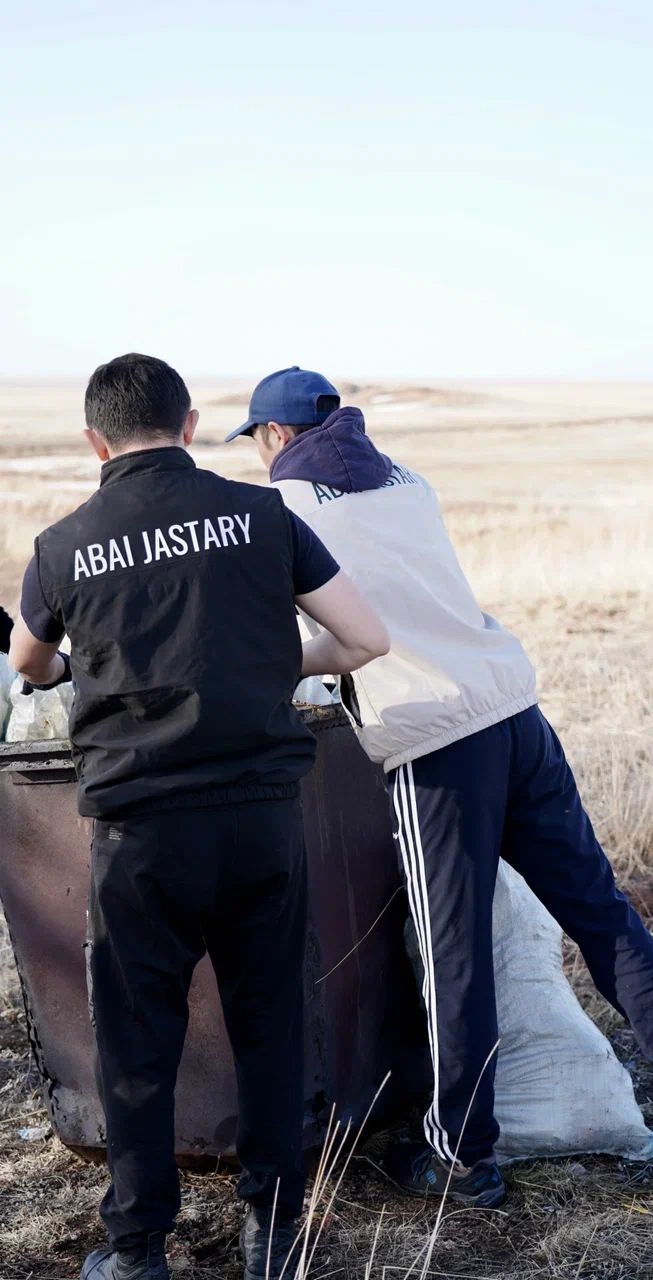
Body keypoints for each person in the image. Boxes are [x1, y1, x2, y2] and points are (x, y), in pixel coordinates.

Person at [229, 365, 653, 1207]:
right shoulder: (407, 481)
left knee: (452, 954)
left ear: (274, 436)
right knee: (599, 913)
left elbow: (317, 629)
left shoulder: (285, 510)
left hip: (436, 742)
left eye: (258, 441)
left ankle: (462, 1156)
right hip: (515, 713)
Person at [8, 354, 389, 1280]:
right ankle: (274, 1235)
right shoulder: (264, 515)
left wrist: (73, 667)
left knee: (137, 1043)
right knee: (270, 1026)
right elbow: (365, 639)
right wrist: (268, 662)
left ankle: (137, 1249)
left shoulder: (63, 547)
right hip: (260, 822)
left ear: (95, 442)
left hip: (141, 835)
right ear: (187, 427)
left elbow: (29, 664)